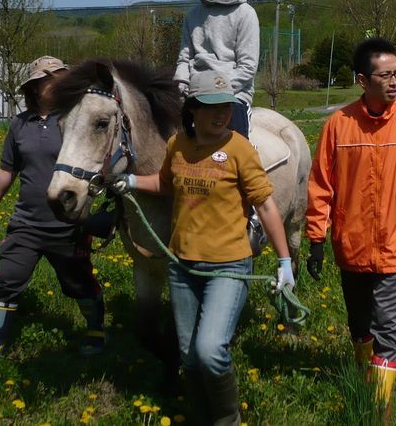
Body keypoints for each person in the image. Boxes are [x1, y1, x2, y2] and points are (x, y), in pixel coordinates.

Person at [115, 70, 295, 426]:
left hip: (228, 267)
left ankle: (228, 419)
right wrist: (132, 180)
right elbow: (166, 183)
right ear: (192, 110)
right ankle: (201, 417)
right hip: (182, 268)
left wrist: (285, 261)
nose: (220, 114)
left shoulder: (240, 149)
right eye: (211, 107)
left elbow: (266, 205)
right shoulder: (177, 146)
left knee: (211, 351)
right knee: (190, 356)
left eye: (225, 106)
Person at [304, 38, 396, 416]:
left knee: (388, 327)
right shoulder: (339, 125)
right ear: (362, 80)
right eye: (385, 75)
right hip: (350, 245)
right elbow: (321, 184)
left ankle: (377, 411)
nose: (394, 81)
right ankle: (364, 379)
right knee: (359, 325)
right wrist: (316, 239)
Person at [0, 56, 104, 371]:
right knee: (7, 279)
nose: (58, 84)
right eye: (51, 79)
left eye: (59, 78)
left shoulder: (74, 119)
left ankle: (95, 331)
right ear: (36, 87)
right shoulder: (20, 124)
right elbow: (6, 170)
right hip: (26, 222)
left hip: (68, 222)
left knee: (78, 282)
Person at [174, 0, 267, 255]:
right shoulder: (192, 16)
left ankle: (249, 218)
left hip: (233, 96)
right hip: (194, 94)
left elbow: (248, 67)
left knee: (234, 154)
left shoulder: (245, 15)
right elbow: (184, 58)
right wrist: (181, 84)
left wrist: (217, 91)